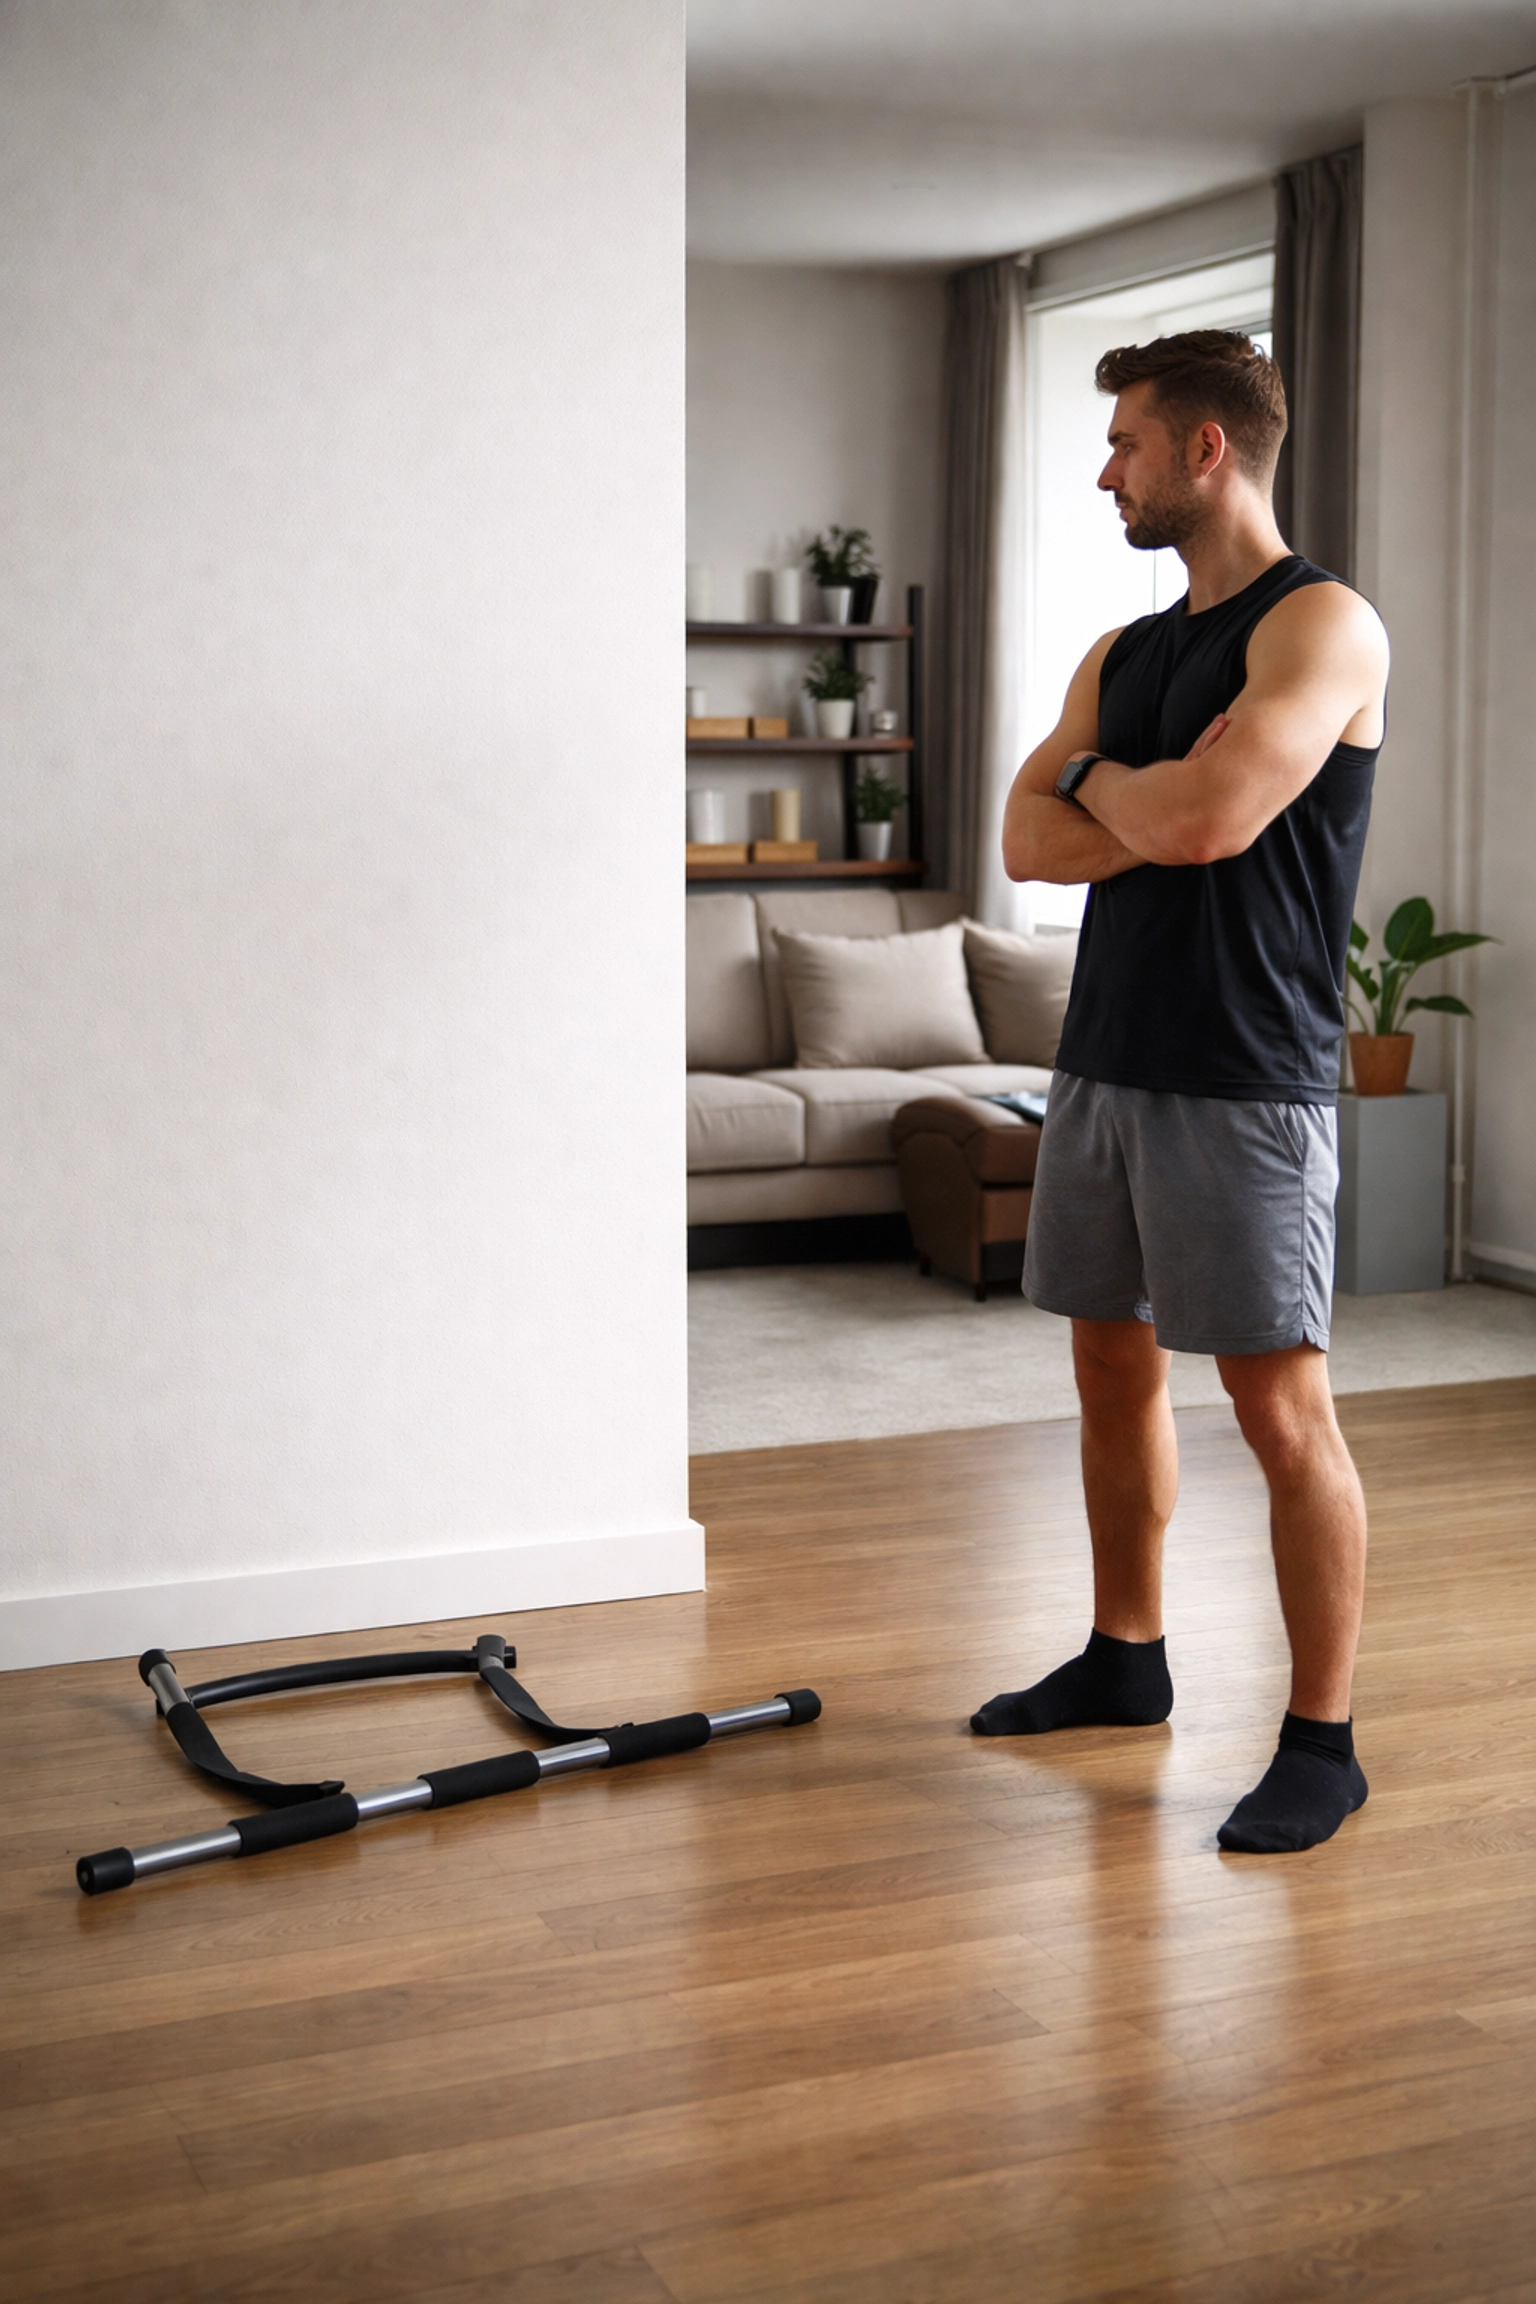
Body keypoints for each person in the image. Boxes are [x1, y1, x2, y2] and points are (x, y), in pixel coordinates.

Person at [971, 330, 1389, 1856]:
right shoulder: (1126, 656)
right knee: (1107, 1368)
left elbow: (1213, 823)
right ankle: (1125, 1656)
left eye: (1129, 445)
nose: (1107, 472)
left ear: (1207, 449)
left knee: (1279, 1411)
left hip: (1243, 1073)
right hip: (1106, 1056)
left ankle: (1322, 1741)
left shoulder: (1324, 627)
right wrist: (1107, 792)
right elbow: (1026, 838)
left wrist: (1115, 794)